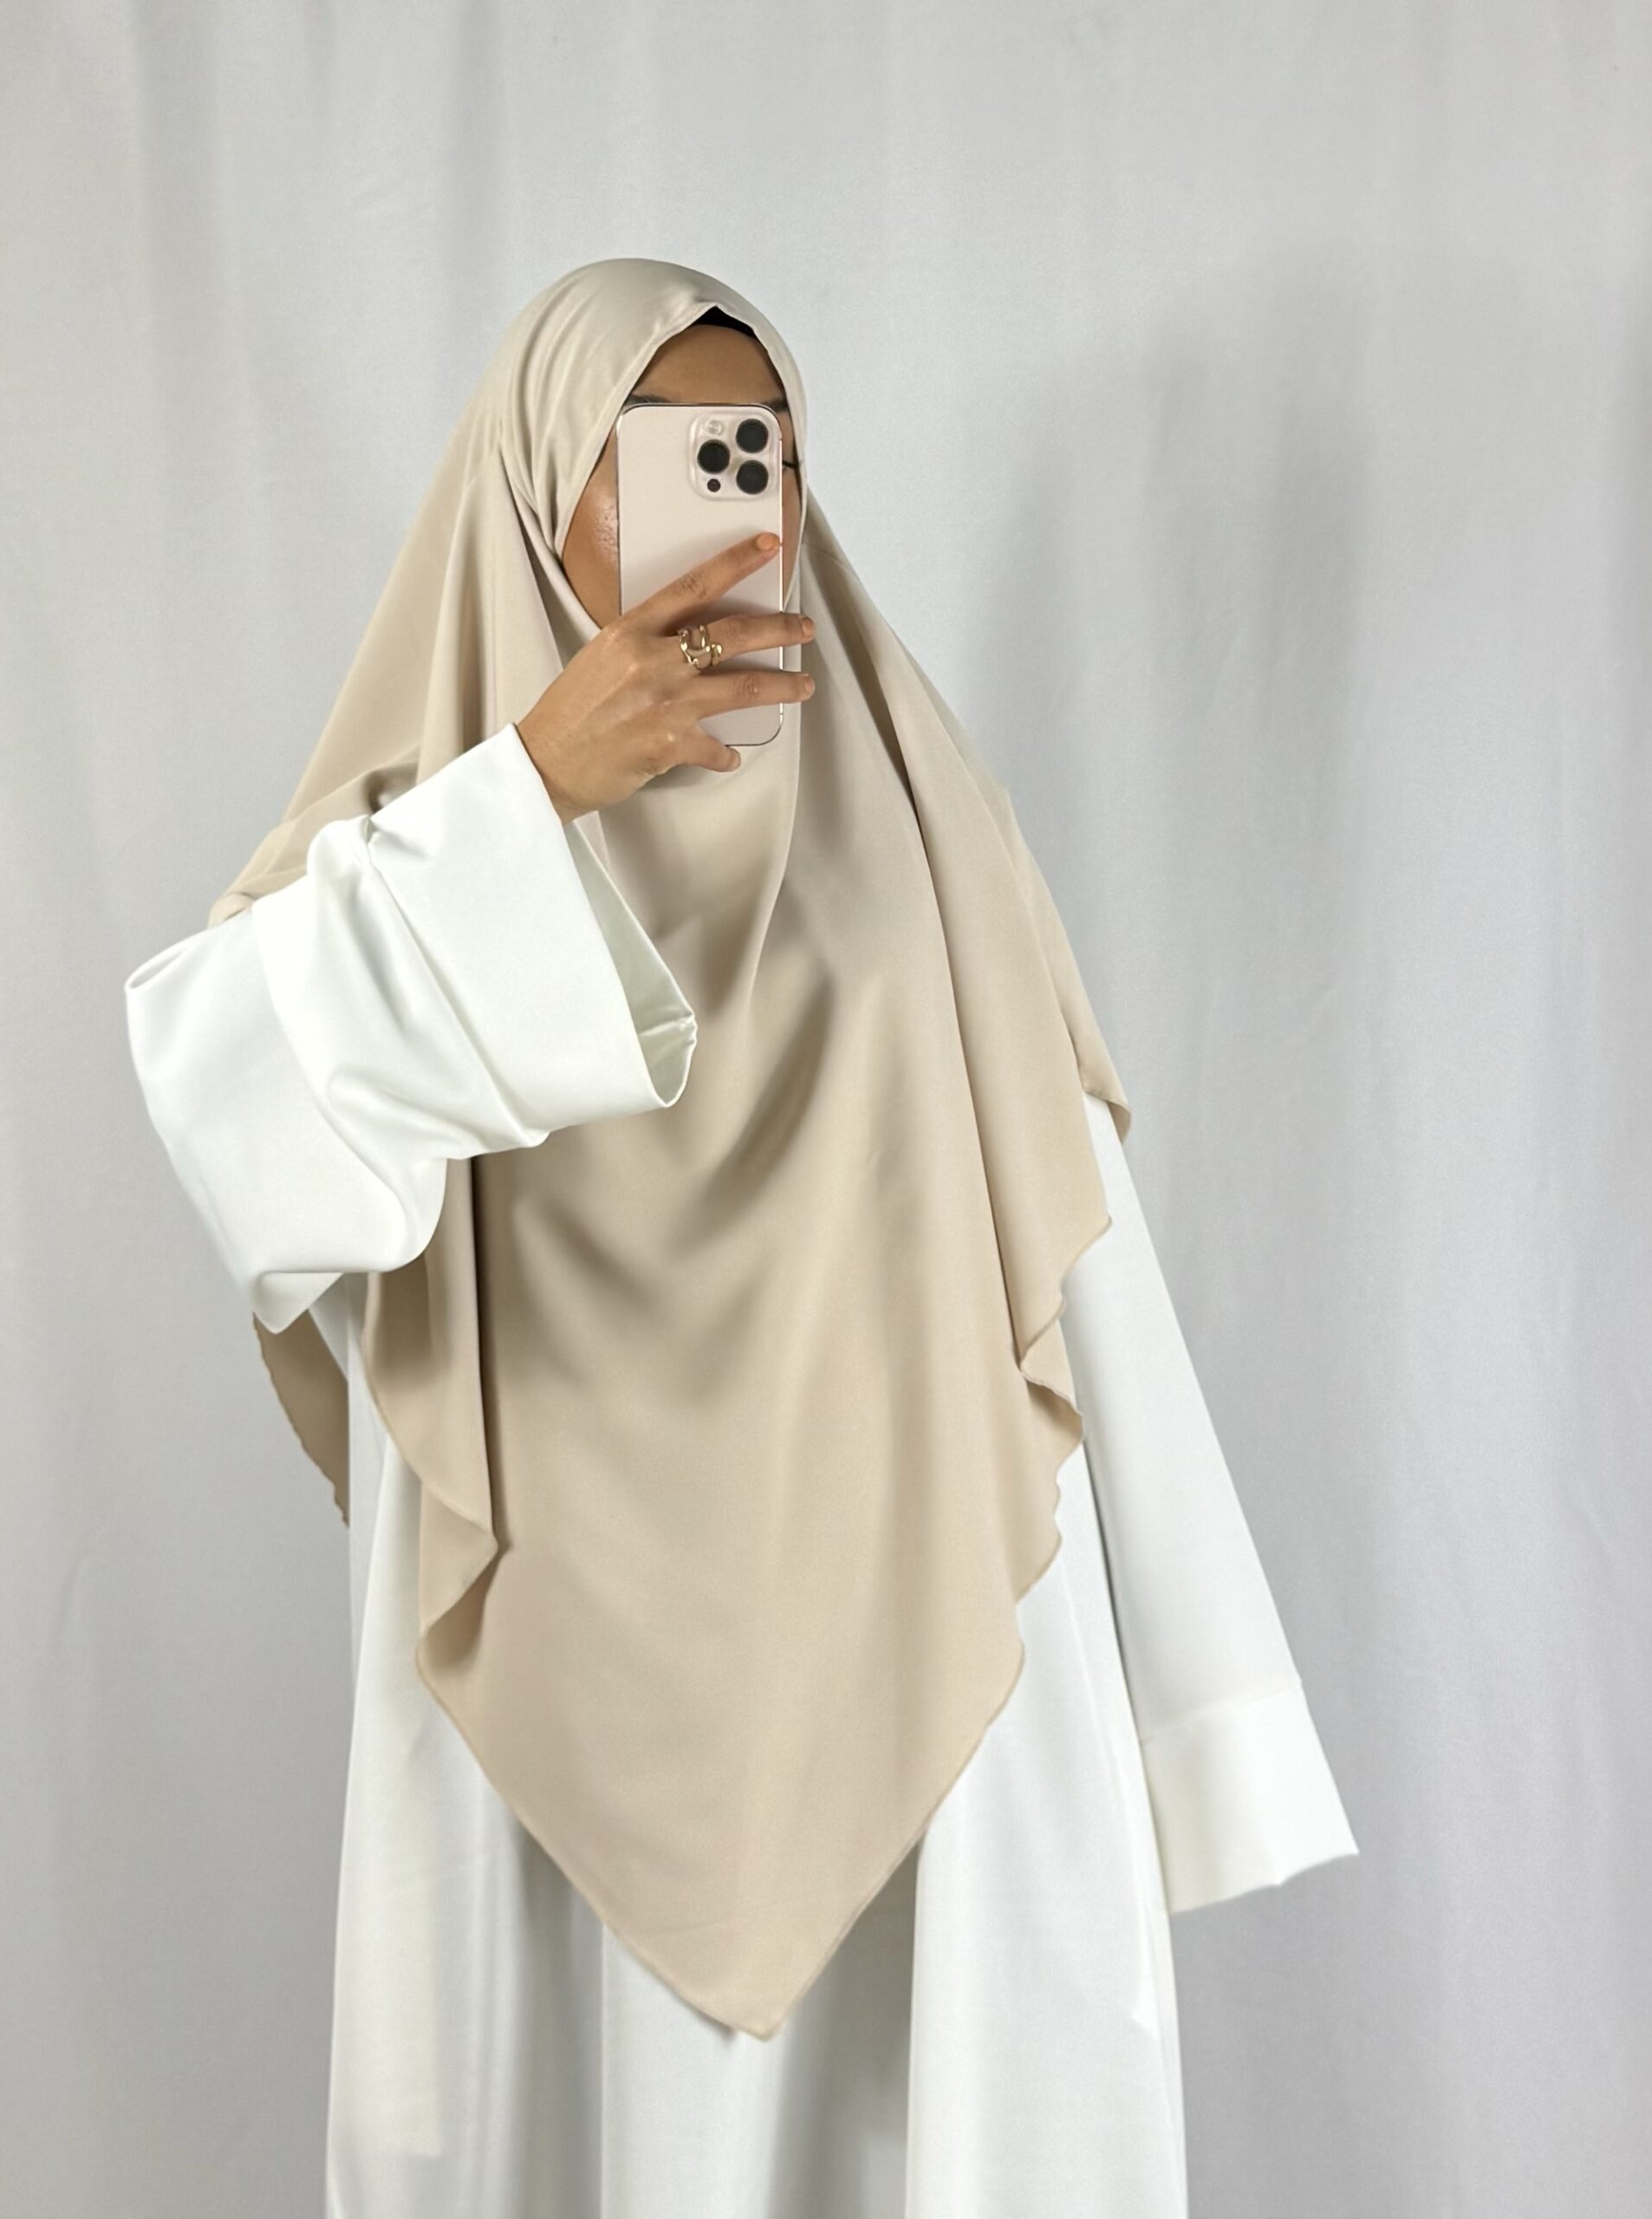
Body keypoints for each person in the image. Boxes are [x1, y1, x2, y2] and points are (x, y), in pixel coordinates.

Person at [123, 257, 1358, 2218]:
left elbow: (1070, 1242)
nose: (738, 505)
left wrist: (1204, 1708)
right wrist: (532, 791)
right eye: (668, 454)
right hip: (549, 1664)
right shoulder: (410, 821)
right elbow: (225, 1094)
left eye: (761, 451)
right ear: (536, 491)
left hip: (927, 1628)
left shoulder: (918, 811)